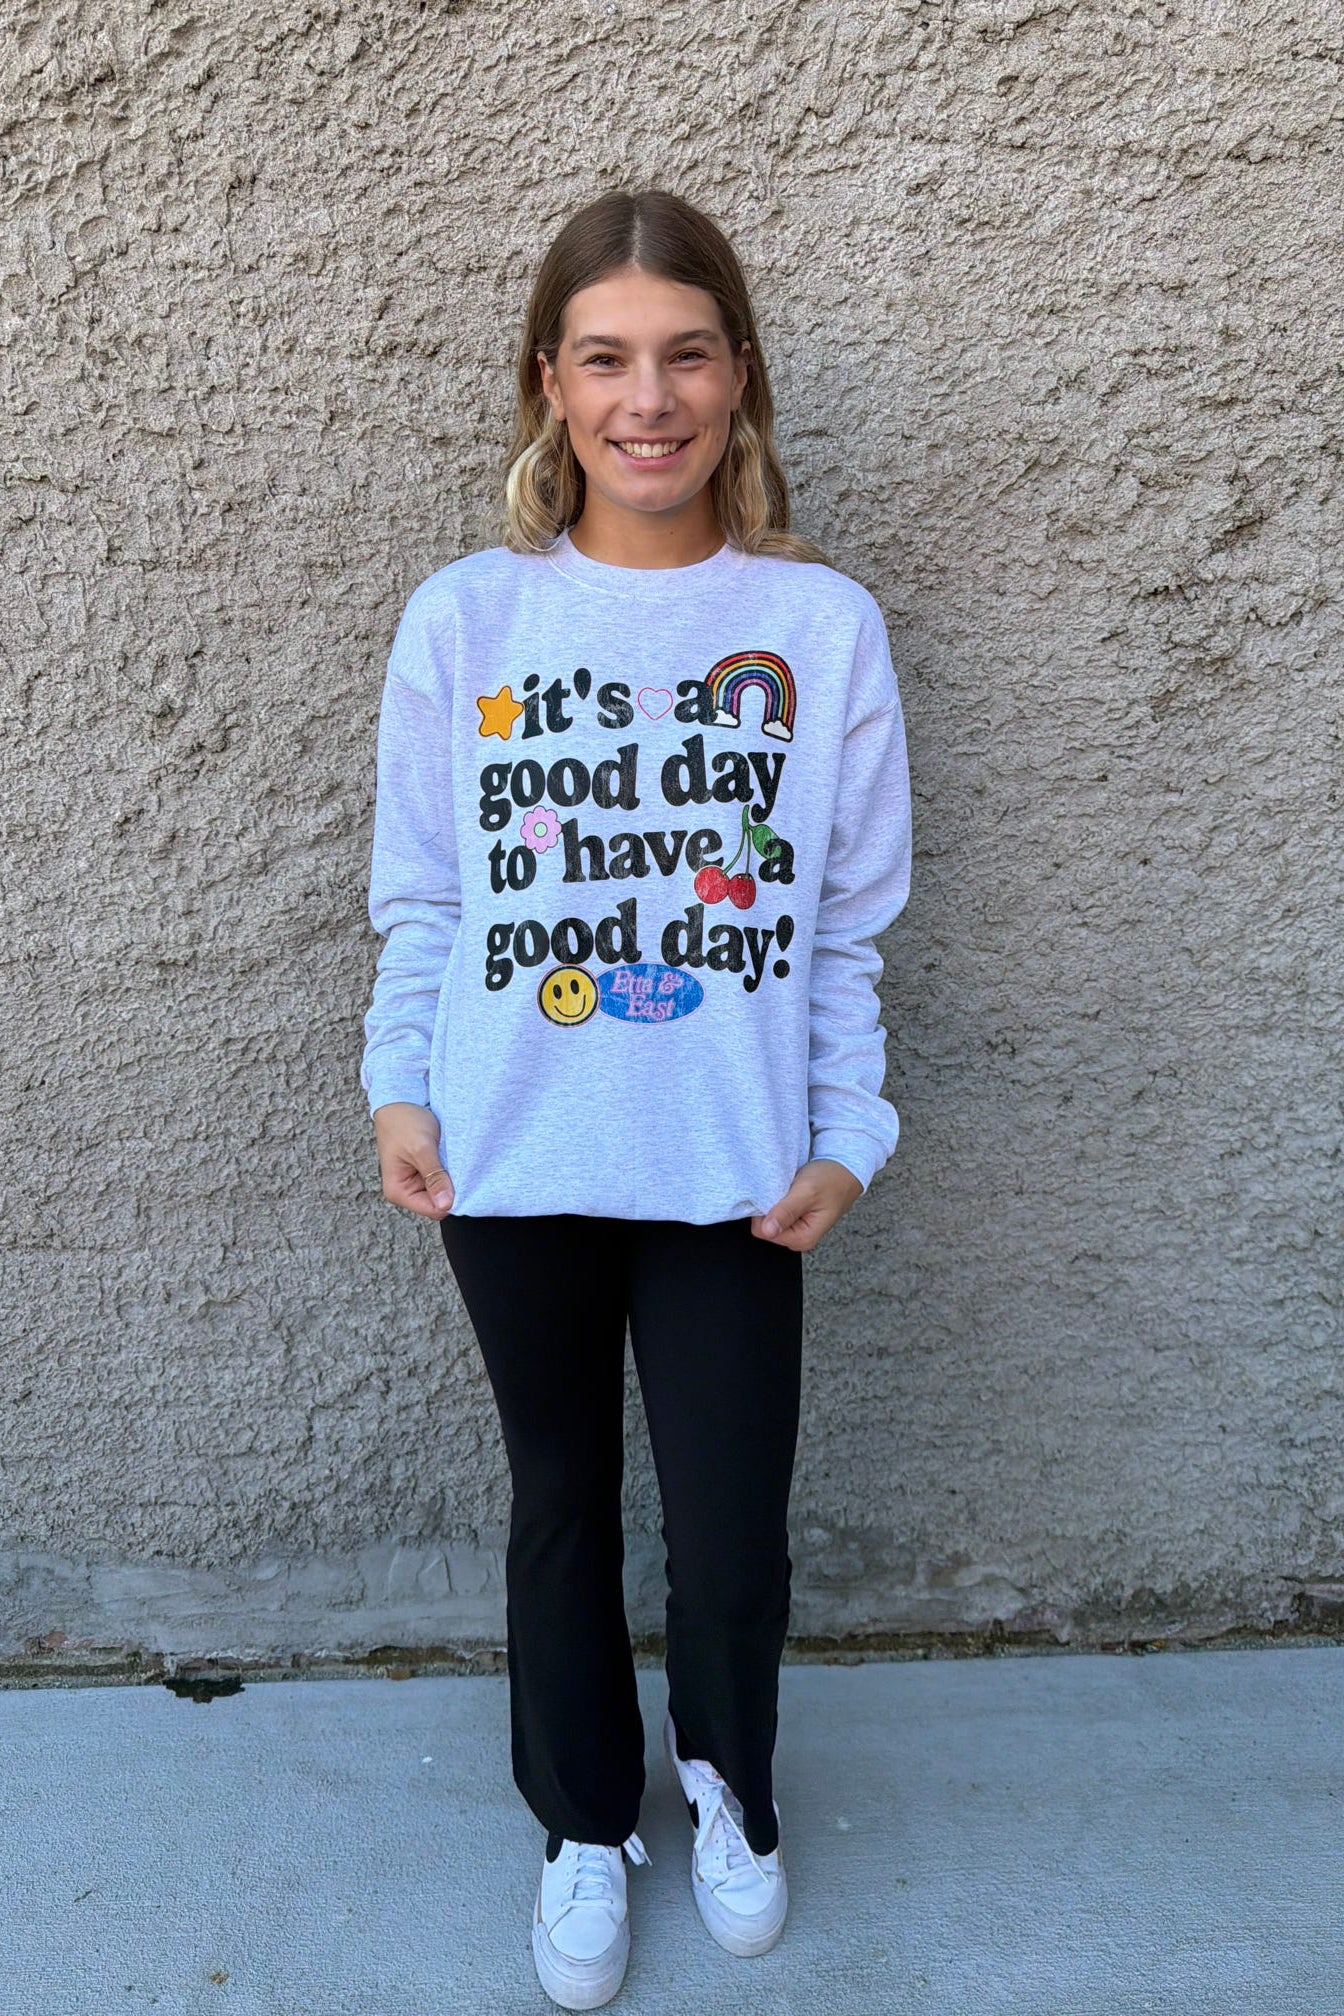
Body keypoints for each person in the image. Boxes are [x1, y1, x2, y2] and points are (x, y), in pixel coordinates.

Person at [358, 186, 912, 2011]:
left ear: (739, 380)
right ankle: (584, 1823)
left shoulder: (818, 630)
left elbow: (841, 930)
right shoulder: (468, 621)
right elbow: (430, 894)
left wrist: (851, 1127)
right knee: (560, 1502)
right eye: (606, 358)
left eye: (685, 355)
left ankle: (730, 1788)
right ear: (550, 383)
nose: (647, 398)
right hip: (515, 1146)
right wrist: (398, 1084)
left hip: (734, 1161)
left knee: (734, 1513)